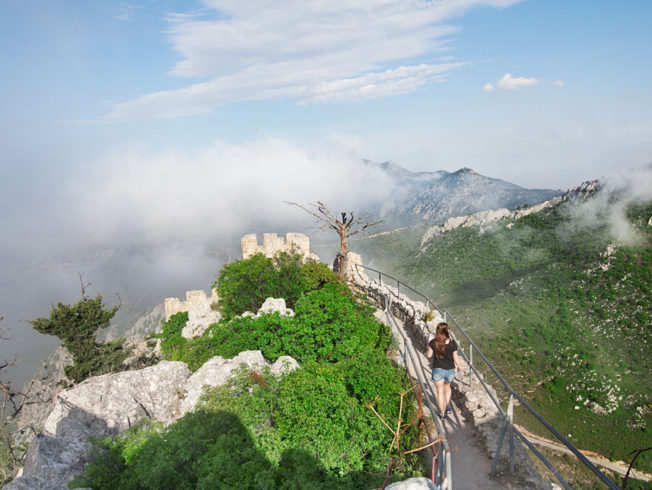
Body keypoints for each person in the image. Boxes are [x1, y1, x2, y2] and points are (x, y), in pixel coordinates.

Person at [426, 322, 463, 421]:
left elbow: (428, 356)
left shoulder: (433, 342)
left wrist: (429, 348)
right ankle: (448, 407)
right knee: (447, 388)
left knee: (439, 392)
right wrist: (460, 367)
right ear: (447, 331)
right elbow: (455, 357)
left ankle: (442, 414)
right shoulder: (452, 343)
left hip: (438, 370)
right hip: (450, 370)